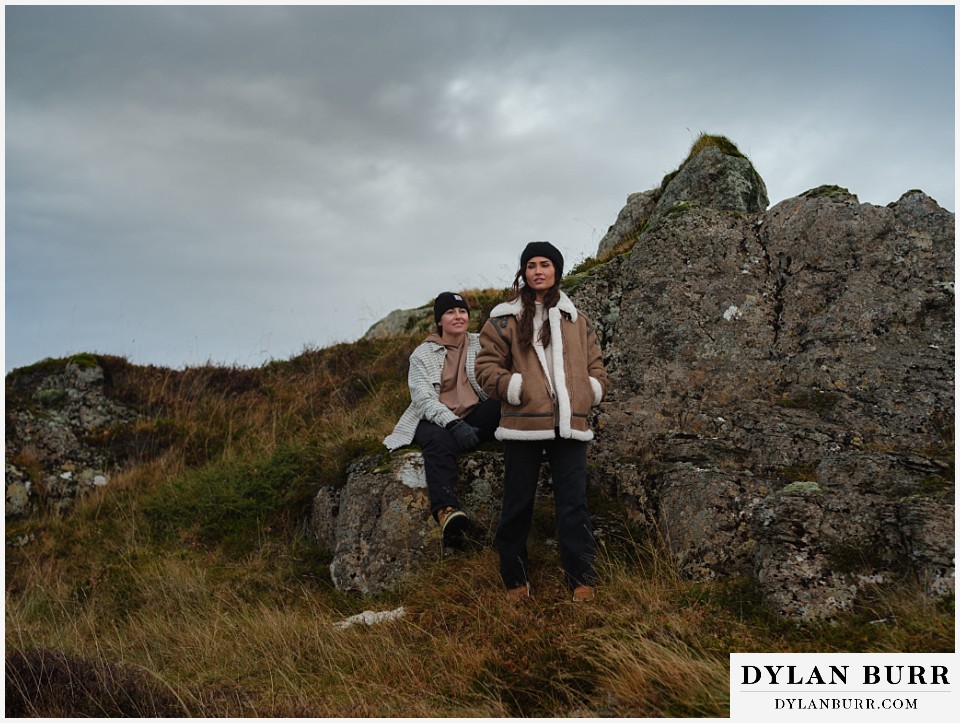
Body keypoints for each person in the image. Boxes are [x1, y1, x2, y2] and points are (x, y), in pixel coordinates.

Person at [476, 242, 608, 602]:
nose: (538, 270)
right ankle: (515, 580)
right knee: (518, 504)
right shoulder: (503, 318)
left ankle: (581, 579)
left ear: (556, 271)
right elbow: (486, 367)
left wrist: (590, 390)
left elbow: (596, 365)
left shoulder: (575, 319)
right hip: (521, 424)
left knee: (574, 504)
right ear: (523, 271)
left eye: (545, 264)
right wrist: (514, 388)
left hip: (570, 424)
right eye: (531, 264)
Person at [384, 291, 500, 549]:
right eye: (450, 312)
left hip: (473, 415)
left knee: (504, 401)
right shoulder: (422, 355)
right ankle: (447, 512)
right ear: (439, 321)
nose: (458, 317)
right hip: (435, 419)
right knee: (438, 442)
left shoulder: (481, 342)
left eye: (462, 312)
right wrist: (453, 423)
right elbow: (423, 399)